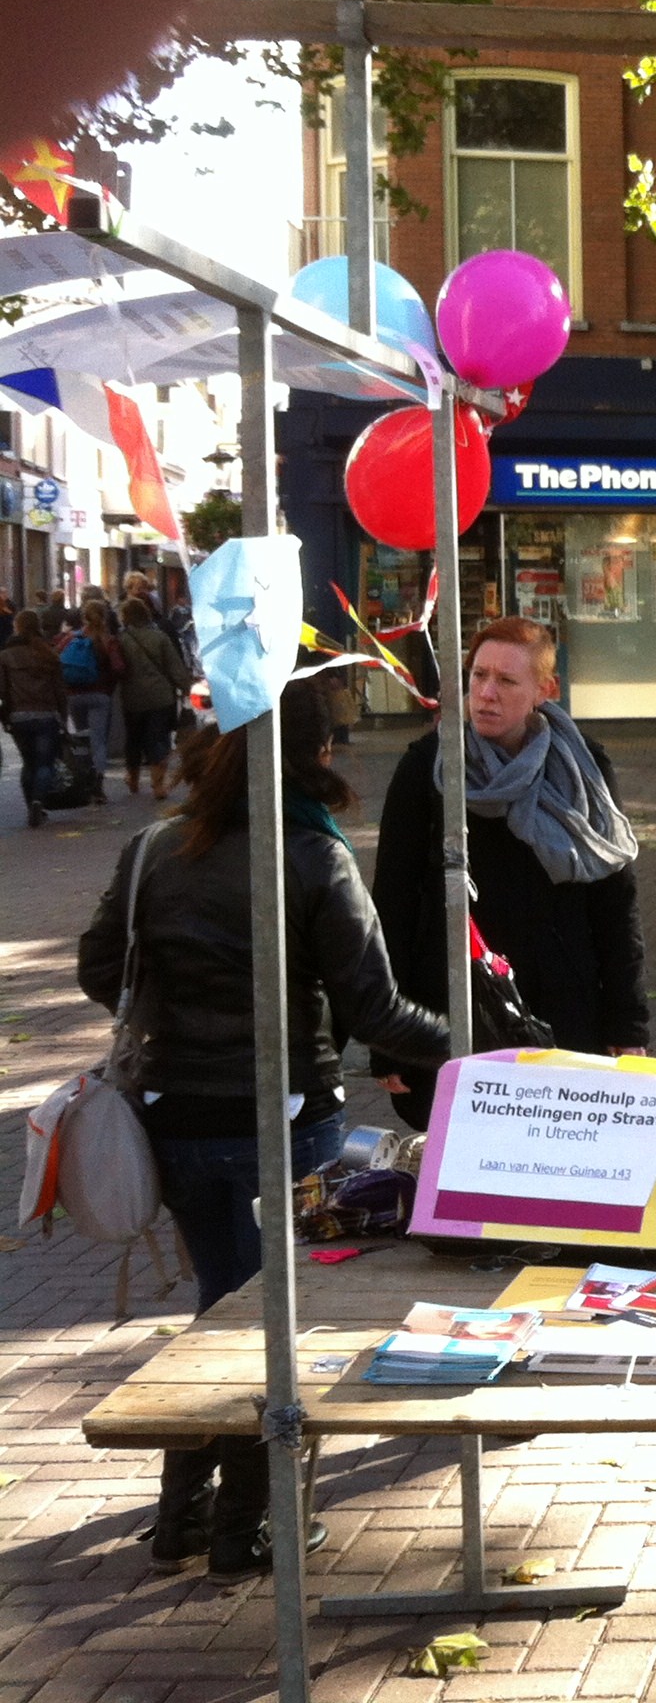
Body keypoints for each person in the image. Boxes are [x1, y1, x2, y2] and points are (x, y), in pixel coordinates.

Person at [78, 677, 447, 1581]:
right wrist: (474, 1045)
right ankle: (245, 1526)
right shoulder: (312, 856)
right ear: (316, 755)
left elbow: (98, 969)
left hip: (170, 1119)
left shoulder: (156, 846)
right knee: (272, 1327)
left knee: (220, 1311)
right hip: (282, 1119)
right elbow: (374, 1008)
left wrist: (174, 1007)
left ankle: (181, 1516)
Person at [373, 618, 648, 1118]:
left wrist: (626, 1023)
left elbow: (614, 904)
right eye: (479, 676)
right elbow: (393, 905)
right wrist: (390, 1037)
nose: (486, 694)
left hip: (563, 1014)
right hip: (454, 1014)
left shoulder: (583, 769)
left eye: (506, 680)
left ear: (545, 690)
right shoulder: (429, 769)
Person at [116, 595, 192, 799]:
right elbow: (175, 667)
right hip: (161, 697)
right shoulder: (160, 638)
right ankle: (158, 785)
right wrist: (186, 688)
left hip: (132, 698)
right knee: (158, 739)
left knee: (133, 739)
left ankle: (133, 778)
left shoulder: (121, 640)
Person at [0, 611, 67, 826]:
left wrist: (6, 717)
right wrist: (63, 717)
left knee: (28, 763)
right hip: (47, 714)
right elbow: (60, 691)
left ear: (17, 627)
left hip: (19, 716)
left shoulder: (6, 656)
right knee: (45, 763)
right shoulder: (48, 654)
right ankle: (39, 801)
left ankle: (31, 805)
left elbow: (2, 691)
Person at [59, 596, 121, 801]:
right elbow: (118, 667)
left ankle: (84, 780)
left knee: (82, 739)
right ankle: (98, 783)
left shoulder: (71, 638)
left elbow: (56, 658)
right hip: (100, 694)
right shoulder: (108, 640)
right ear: (105, 616)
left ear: (83, 617)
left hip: (74, 695)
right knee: (98, 741)